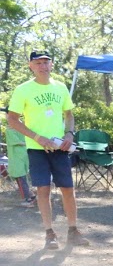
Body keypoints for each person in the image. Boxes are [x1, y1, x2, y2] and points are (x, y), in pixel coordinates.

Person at [6, 50, 90, 250]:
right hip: (36, 148)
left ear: (51, 65)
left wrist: (69, 134)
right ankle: (49, 233)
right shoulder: (23, 89)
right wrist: (37, 138)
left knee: (68, 189)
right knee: (43, 190)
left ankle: (73, 230)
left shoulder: (60, 88)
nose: (43, 66)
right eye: (38, 63)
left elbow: (69, 115)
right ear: (31, 66)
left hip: (60, 147)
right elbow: (12, 119)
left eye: (46, 62)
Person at [2, 107, 35, 207]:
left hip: (17, 155)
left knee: (20, 177)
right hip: (23, 154)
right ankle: (30, 195)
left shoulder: (11, 128)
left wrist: (24, 143)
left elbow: (16, 142)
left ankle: (28, 199)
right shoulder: (22, 125)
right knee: (21, 176)